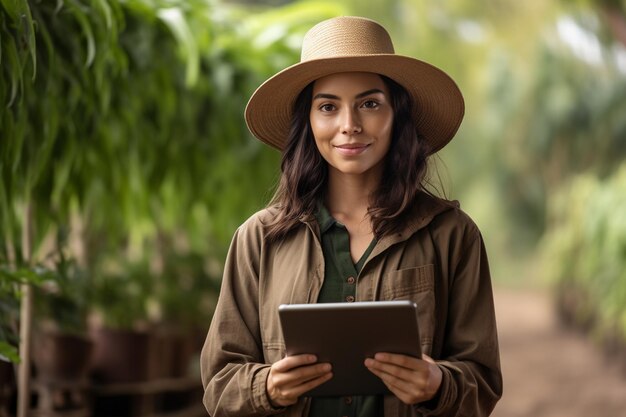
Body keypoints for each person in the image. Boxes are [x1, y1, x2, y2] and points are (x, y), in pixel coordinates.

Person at [200, 16, 502, 417]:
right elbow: (219, 385)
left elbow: (482, 383)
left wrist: (438, 385)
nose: (349, 126)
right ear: (308, 122)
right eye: (328, 107)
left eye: (370, 104)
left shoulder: (452, 236)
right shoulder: (258, 239)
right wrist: (267, 387)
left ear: (398, 114)